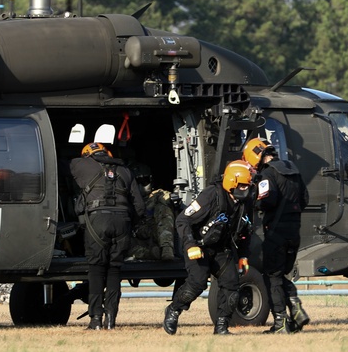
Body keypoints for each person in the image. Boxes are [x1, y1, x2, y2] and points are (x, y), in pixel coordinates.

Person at [163, 160, 253, 335]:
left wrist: (243, 256)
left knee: (232, 286)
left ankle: (221, 326)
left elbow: (246, 231)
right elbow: (183, 220)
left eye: (247, 186)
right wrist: (190, 245)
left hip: (222, 249)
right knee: (197, 283)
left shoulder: (245, 203)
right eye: (241, 186)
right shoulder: (211, 195)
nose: (245, 190)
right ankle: (174, 310)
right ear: (231, 182)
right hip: (199, 246)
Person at [70, 142, 145, 330]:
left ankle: (95, 319)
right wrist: (130, 224)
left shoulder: (79, 164)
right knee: (114, 270)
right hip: (122, 221)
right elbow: (140, 207)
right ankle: (111, 319)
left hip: (97, 221)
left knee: (96, 269)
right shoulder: (125, 171)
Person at [243, 137, 310, 334]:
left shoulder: (267, 174)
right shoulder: (293, 169)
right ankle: (296, 309)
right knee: (280, 275)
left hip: (276, 233)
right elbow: (305, 199)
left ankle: (281, 322)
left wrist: (255, 203)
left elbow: (267, 201)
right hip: (294, 231)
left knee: (272, 276)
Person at [128, 163, 176, 261]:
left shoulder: (156, 196)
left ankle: (166, 249)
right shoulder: (127, 200)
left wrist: (167, 199)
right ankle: (152, 254)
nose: (141, 185)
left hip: (155, 233)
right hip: (135, 237)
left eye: (145, 181)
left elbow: (166, 198)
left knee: (163, 209)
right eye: (138, 182)